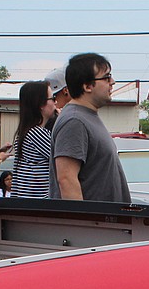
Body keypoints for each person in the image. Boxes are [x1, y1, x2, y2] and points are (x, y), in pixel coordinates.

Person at [49, 53, 130, 202]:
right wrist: (83, 222)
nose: (112, 82)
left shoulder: (86, 116)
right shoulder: (74, 121)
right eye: (106, 78)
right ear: (87, 86)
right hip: (92, 224)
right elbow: (66, 179)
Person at [11, 80, 55, 198]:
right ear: (41, 104)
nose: (55, 103)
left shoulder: (26, 132)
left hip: (28, 201)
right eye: (52, 99)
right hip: (41, 202)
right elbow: (64, 159)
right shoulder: (37, 134)